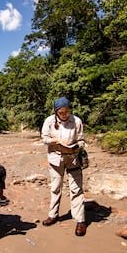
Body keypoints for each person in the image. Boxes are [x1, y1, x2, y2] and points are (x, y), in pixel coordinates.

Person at [41, 97, 87, 236]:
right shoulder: (49, 121)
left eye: (66, 111)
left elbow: (81, 140)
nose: (64, 115)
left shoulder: (76, 121)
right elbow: (44, 138)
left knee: (76, 189)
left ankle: (80, 221)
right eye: (61, 112)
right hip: (56, 158)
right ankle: (53, 215)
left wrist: (77, 146)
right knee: (55, 188)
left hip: (73, 158)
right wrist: (55, 140)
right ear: (56, 112)